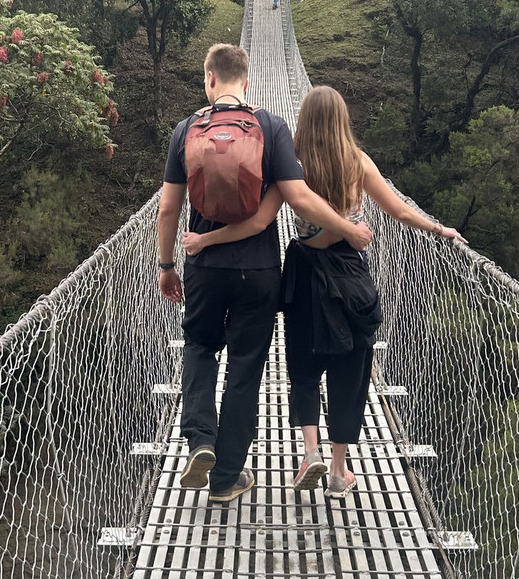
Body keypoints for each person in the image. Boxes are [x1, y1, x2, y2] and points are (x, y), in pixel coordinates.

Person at [181, 85, 466, 499]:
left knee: (304, 364)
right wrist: (439, 230)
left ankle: (309, 452)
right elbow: (399, 211)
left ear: (304, 122)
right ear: (342, 120)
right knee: (352, 369)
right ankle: (338, 470)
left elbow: (259, 223)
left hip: (304, 274)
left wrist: (205, 242)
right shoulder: (358, 162)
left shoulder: (290, 167)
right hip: (349, 272)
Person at [157, 48, 373, 504]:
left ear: (210, 79)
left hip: (203, 266)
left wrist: (166, 265)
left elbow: (167, 207)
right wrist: (349, 229)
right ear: (248, 83)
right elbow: (299, 197)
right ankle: (227, 478)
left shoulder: (185, 130)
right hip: (258, 270)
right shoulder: (271, 126)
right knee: (245, 365)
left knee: (198, 346)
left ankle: (200, 441)